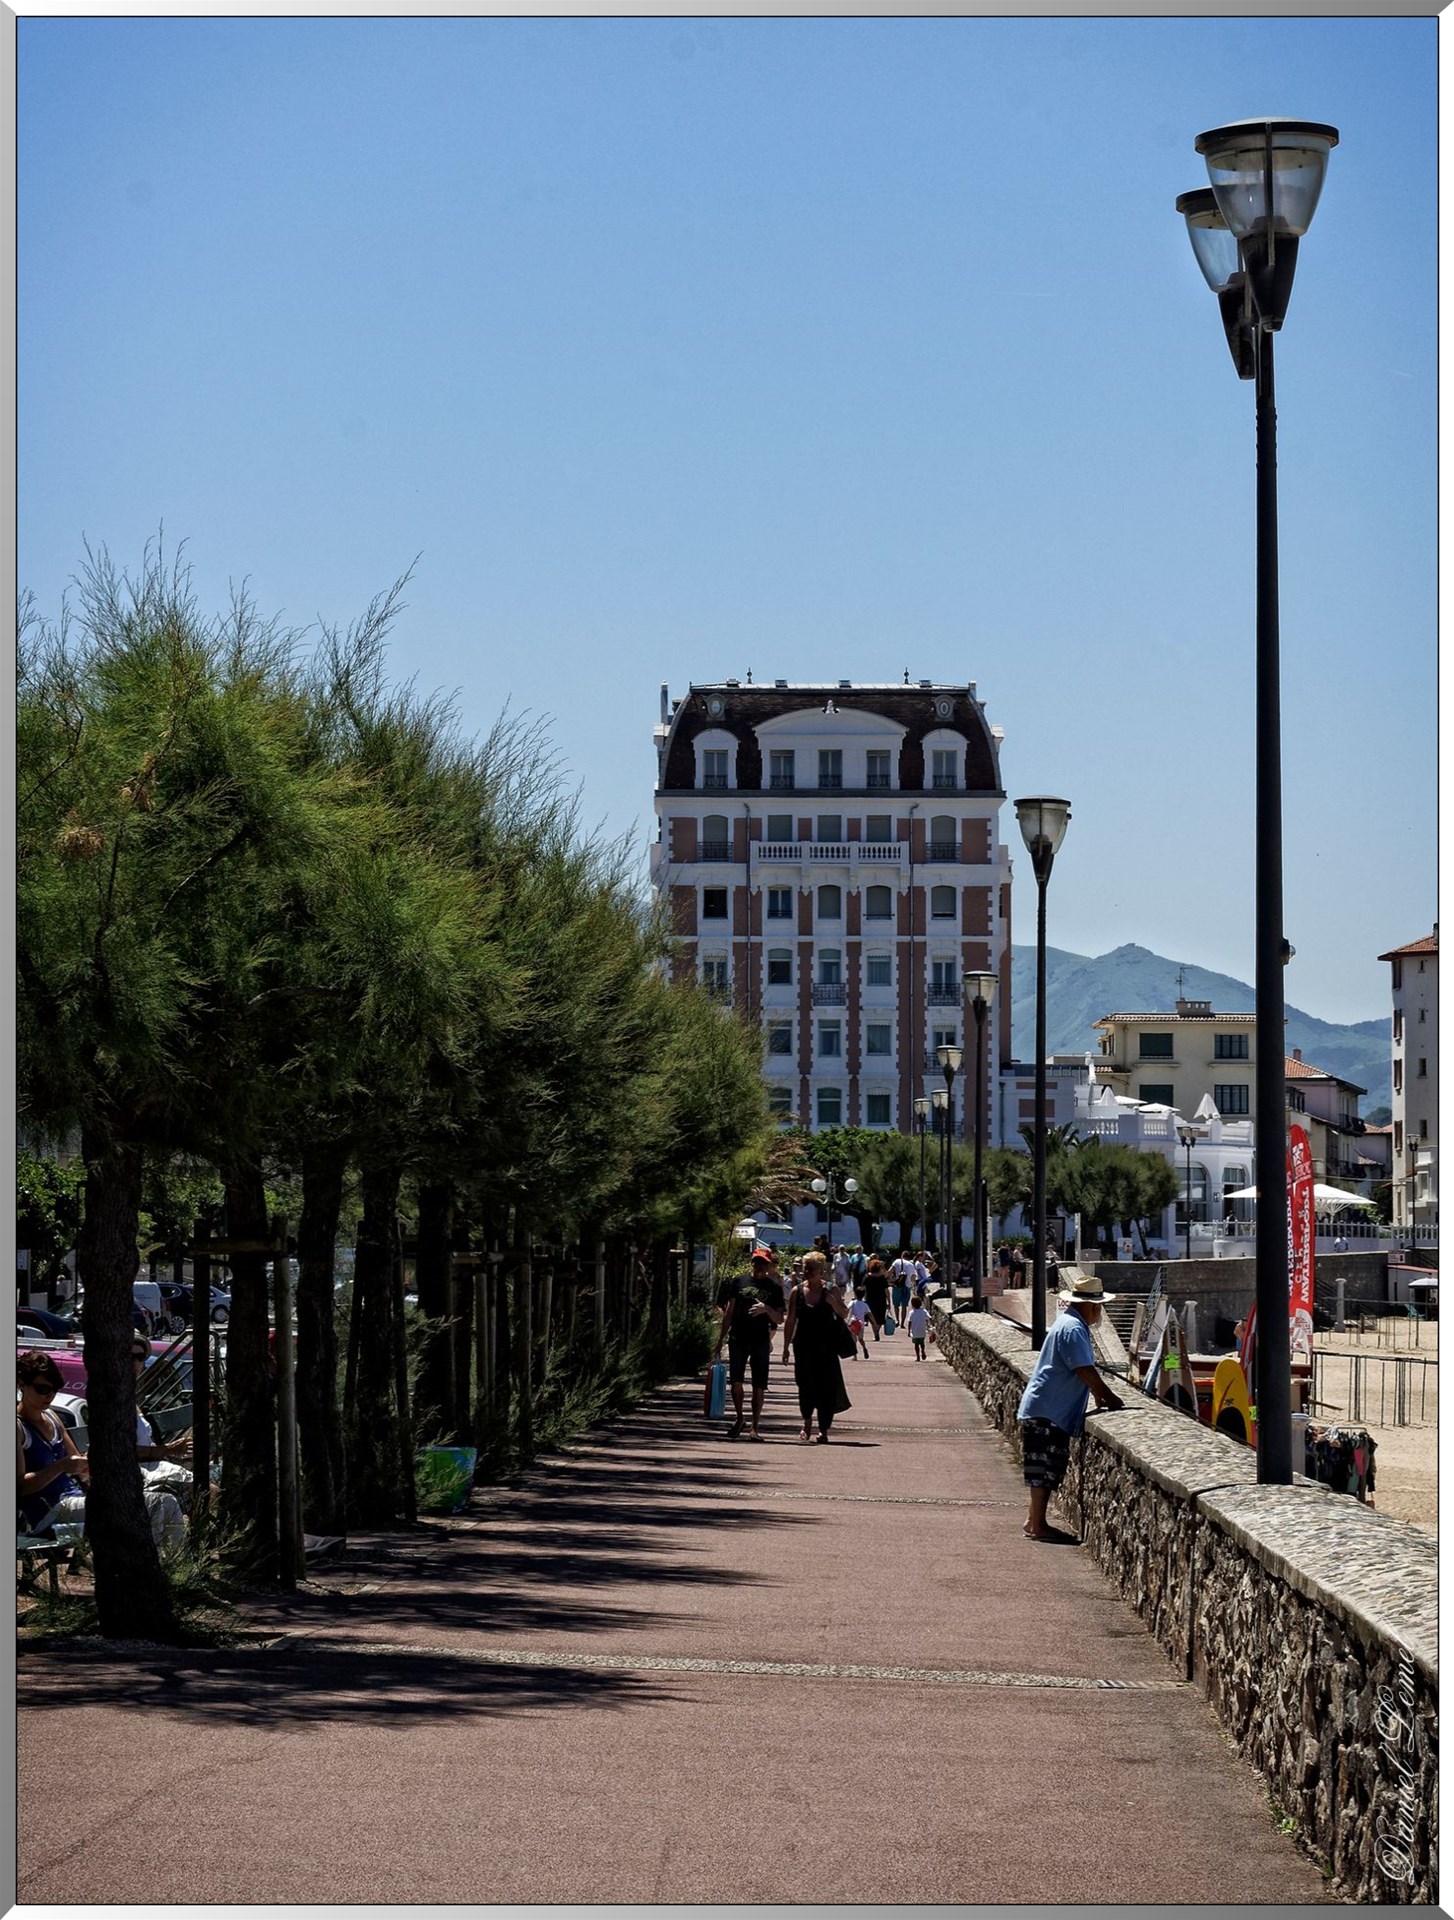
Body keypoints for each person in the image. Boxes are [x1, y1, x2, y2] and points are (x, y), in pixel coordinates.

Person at [1016, 1273, 1124, 1543]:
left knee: (1043, 1468)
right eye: (1099, 1306)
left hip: (1044, 1407)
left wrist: (1098, 1392)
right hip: (1048, 1410)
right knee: (1044, 1470)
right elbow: (1083, 1368)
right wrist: (1107, 1395)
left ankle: (1033, 1521)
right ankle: (1038, 1525)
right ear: (1093, 1306)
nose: (1099, 1312)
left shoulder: (1067, 1323)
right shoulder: (1074, 1329)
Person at [781, 1250, 852, 1442]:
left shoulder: (831, 1289)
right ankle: (806, 1422)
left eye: (812, 1268)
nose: (807, 1272)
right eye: (806, 1268)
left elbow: (844, 1314)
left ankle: (824, 1430)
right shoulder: (797, 1292)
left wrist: (833, 1303)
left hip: (826, 1348)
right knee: (805, 1386)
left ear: (821, 1271)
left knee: (827, 1388)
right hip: (803, 1347)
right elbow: (790, 1320)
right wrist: (786, 1346)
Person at [717, 1246, 787, 1440]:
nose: (760, 1267)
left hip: (760, 1340)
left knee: (759, 1384)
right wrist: (720, 1339)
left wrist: (766, 1309)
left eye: (764, 1263)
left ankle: (755, 1427)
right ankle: (740, 1418)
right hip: (738, 1337)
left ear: (769, 1265)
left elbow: (780, 1318)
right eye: (757, 1262)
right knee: (736, 1381)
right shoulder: (739, 1281)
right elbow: (729, 1311)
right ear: (752, 1262)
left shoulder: (773, 1288)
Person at [863, 1256, 891, 1340]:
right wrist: (889, 1302)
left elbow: (863, 1289)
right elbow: (887, 1291)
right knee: (880, 1318)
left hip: (870, 1299)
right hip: (881, 1300)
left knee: (872, 1317)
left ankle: (875, 1331)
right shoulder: (882, 1278)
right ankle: (877, 1331)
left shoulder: (867, 1277)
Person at [889, 1248, 915, 1326]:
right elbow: (913, 1276)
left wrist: (891, 1280)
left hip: (897, 1285)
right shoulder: (911, 1264)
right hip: (907, 1287)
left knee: (896, 1305)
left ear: (902, 1256)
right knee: (904, 1306)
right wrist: (912, 1285)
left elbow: (889, 1272)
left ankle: (897, 1320)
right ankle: (902, 1323)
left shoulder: (897, 1261)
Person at [846, 1284, 872, 1359]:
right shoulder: (865, 1304)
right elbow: (869, 1314)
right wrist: (874, 1322)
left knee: (854, 1340)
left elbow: (847, 1310)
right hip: (861, 1324)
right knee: (860, 1339)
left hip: (853, 1322)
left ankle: (855, 1356)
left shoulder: (852, 1302)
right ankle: (864, 1348)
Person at [906, 1291, 931, 1362]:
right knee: (922, 1343)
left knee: (916, 1345)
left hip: (915, 1331)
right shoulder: (924, 1311)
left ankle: (918, 1357)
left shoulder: (912, 1312)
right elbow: (929, 1318)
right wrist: (929, 1325)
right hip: (922, 1330)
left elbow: (909, 1322)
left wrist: (908, 1331)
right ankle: (923, 1351)